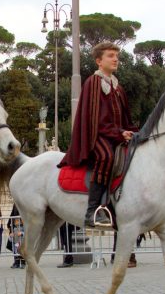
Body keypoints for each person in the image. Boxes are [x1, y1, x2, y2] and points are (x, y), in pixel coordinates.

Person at [57, 42, 138, 228]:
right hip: (98, 136)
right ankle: (92, 210)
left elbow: (126, 117)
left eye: (116, 55)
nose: (116, 59)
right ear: (99, 61)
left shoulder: (118, 86)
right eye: (110, 55)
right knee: (106, 156)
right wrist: (119, 133)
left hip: (116, 136)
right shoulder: (93, 83)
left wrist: (133, 132)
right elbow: (95, 120)